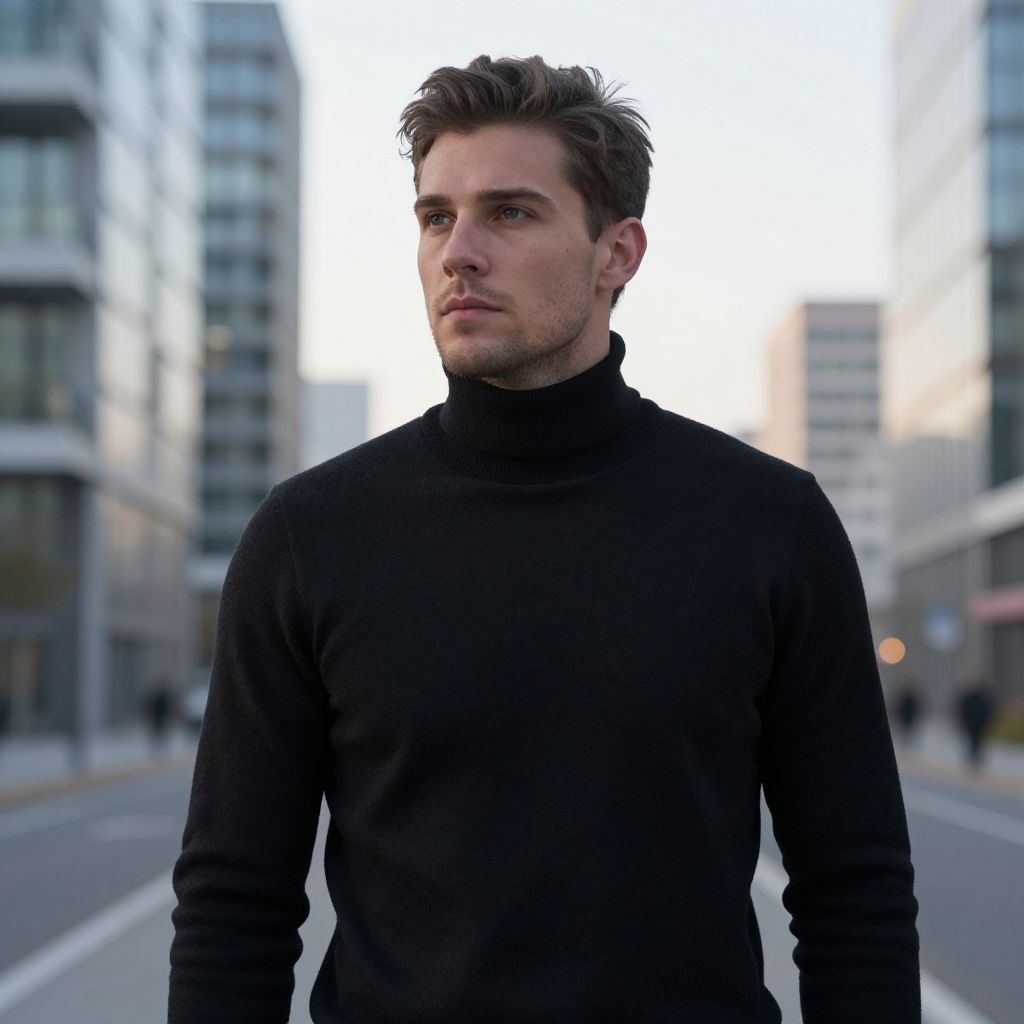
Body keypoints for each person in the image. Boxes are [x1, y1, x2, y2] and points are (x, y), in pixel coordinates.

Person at [168, 55, 920, 1024]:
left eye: (509, 213)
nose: (458, 253)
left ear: (618, 253)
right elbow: (235, 899)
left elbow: (853, 886)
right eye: (436, 216)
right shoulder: (310, 534)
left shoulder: (768, 523)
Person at [957, 672, 995, 771]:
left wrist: (987, 722)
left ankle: (977, 761)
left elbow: (989, 710)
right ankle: (972, 761)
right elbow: (962, 710)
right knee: (971, 743)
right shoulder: (967, 697)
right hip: (970, 724)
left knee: (979, 743)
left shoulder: (984, 697)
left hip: (981, 724)